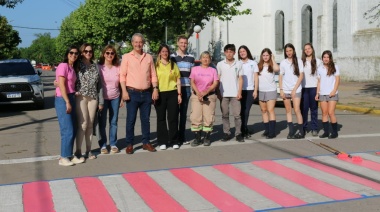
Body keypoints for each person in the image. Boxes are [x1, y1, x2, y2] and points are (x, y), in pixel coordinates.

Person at [120, 33, 158, 154]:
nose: (138, 44)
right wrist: (124, 91)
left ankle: (146, 142)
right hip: (132, 93)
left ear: (143, 43)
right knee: (131, 120)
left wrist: (155, 89)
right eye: (136, 42)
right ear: (132, 43)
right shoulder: (126, 57)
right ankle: (129, 144)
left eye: (140, 42)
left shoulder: (149, 57)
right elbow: (122, 76)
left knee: (146, 119)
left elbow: (153, 75)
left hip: (146, 93)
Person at [74, 43, 104, 161]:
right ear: (82, 52)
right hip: (81, 96)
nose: (88, 53)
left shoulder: (94, 66)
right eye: (86, 51)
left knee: (90, 124)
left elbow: (99, 85)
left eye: (90, 51)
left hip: (93, 97)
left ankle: (88, 150)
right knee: (83, 123)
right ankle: (78, 150)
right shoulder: (77, 65)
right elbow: (68, 77)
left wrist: (101, 101)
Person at [55, 46, 80, 166]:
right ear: (67, 54)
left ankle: (69, 154)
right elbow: (61, 84)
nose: (74, 55)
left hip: (71, 97)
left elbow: (70, 85)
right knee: (67, 130)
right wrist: (67, 101)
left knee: (74, 128)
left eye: (76, 53)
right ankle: (63, 157)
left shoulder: (72, 68)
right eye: (71, 53)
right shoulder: (63, 66)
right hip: (62, 99)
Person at [154, 44, 182, 150]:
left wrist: (179, 94)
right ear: (159, 53)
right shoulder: (156, 65)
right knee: (161, 118)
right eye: (163, 51)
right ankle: (162, 141)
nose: (165, 53)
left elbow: (178, 80)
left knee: (173, 117)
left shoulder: (173, 65)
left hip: (172, 92)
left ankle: (174, 140)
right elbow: (153, 80)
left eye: (167, 51)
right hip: (160, 93)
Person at [97, 45, 124, 154]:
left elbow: (122, 82)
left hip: (115, 98)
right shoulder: (99, 67)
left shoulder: (118, 67)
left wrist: (122, 98)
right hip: (102, 99)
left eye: (112, 53)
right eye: (107, 53)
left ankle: (113, 144)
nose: (110, 55)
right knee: (102, 123)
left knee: (113, 122)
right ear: (104, 54)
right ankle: (103, 145)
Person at [189, 51, 219, 146]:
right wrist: (198, 93)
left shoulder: (213, 70)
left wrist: (206, 92)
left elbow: (215, 83)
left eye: (207, 57)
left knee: (208, 117)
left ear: (210, 60)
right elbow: (192, 82)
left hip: (209, 96)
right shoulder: (194, 69)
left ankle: (207, 137)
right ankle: (197, 138)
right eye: (203, 57)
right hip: (196, 96)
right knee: (195, 117)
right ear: (200, 59)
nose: (205, 59)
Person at [217, 44, 244, 142]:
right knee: (225, 114)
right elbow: (218, 79)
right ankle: (226, 133)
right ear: (224, 52)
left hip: (235, 93)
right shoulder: (220, 64)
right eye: (227, 52)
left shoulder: (238, 64)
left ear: (234, 53)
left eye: (231, 52)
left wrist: (239, 92)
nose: (229, 54)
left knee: (237, 115)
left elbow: (240, 79)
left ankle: (238, 133)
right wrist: (218, 92)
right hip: (223, 94)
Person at [170, 35, 195, 145]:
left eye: (185, 43)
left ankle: (182, 136)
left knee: (183, 113)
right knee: (174, 114)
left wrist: (193, 88)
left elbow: (193, 75)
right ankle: (173, 137)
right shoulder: (172, 57)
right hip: (174, 89)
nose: (183, 45)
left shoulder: (191, 57)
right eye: (181, 42)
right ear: (177, 43)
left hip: (187, 88)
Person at [279, 43, 304, 139]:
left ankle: (301, 132)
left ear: (293, 51)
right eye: (287, 51)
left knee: (297, 109)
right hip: (285, 89)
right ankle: (291, 131)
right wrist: (281, 90)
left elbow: (301, 75)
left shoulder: (299, 61)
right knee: (288, 110)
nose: (289, 52)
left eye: (290, 50)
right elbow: (280, 76)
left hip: (296, 89)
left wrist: (294, 89)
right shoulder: (283, 62)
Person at [316, 50, 340, 139]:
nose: (326, 59)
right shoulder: (319, 68)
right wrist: (317, 93)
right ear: (322, 58)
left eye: (327, 57)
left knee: (331, 113)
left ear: (330, 58)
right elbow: (319, 82)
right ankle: (326, 132)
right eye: (324, 57)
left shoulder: (335, 67)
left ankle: (334, 132)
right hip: (322, 93)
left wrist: (334, 90)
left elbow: (337, 80)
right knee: (324, 113)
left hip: (332, 94)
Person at [257, 48, 280, 139]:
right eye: (264, 55)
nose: (265, 57)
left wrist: (273, 59)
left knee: (270, 110)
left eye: (267, 55)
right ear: (261, 56)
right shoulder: (259, 65)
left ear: (270, 56)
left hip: (271, 90)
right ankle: (267, 130)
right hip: (261, 91)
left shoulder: (272, 65)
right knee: (263, 110)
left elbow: (277, 69)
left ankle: (272, 132)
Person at [238, 45, 258, 138]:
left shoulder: (253, 63)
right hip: (240, 90)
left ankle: (244, 129)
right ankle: (242, 129)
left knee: (246, 111)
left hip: (250, 90)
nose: (242, 53)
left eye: (243, 51)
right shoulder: (238, 63)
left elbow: (256, 77)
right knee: (241, 111)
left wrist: (255, 90)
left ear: (247, 52)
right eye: (240, 52)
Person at [301, 43, 322, 136]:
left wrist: (318, 91)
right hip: (304, 88)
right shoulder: (301, 61)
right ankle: (303, 127)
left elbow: (319, 78)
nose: (307, 50)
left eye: (309, 48)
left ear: (312, 49)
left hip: (313, 88)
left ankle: (314, 128)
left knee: (314, 109)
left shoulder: (318, 61)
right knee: (304, 109)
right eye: (305, 49)